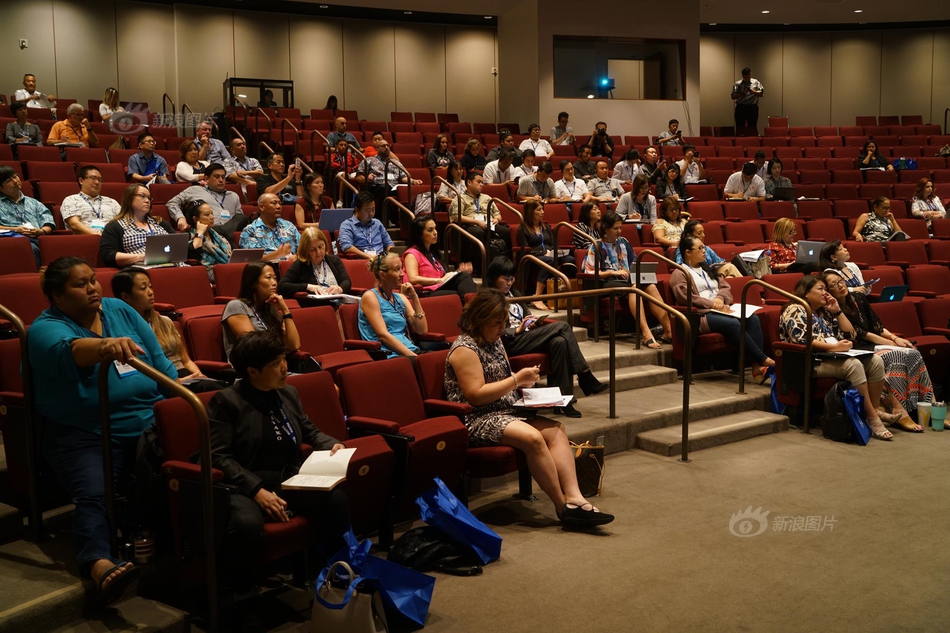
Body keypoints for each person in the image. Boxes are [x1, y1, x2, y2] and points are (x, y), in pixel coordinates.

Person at [30, 257, 176, 604]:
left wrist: (177, 407)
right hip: (85, 431)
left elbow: (159, 362)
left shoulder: (118, 309)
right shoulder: (43, 328)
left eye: (93, 280)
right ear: (58, 296)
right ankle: (98, 562)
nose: (92, 288)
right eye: (80, 284)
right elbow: (70, 350)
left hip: (148, 420)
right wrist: (105, 346)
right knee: (93, 493)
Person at [444, 288, 614, 527]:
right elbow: (476, 396)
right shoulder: (465, 349)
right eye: (497, 323)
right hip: (479, 418)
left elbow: (502, 378)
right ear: (479, 320)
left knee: (556, 430)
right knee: (533, 438)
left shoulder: (494, 341)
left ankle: (575, 498)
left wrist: (526, 385)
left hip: (506, 410)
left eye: (504, 322)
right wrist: (516, 380)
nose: (502, 328)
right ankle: (563, 507)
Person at [208, 331, 350, 590]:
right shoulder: (227, 401)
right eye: (275, 363)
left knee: (335, 499)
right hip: (244, 485)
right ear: (252, 371)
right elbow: (217, 456)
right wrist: (256, 490)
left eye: (283, 358)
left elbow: (309, 430)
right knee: (247, 523)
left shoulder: (288, 393)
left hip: (287, 478)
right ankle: (240, 592)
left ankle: (333, 571)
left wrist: (332, 444)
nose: (285, 367)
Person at [489, 258, 607, 417]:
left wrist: (531, 322)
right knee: (563, 326)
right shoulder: (489, 298)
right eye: (505, 279)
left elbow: (526, 316)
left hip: (526, 336)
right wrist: (516, 330)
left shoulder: (515, 294)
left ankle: (563, 401)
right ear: (494, 277)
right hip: (508, 342)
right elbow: (490, 328)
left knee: (559, 342)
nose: (509, 282)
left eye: (512, 278)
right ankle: (584, 375)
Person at [779, 275, 891, 440]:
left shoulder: (824, 311)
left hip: (832, 357)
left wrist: (837, 310)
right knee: (854, 365)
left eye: (826, 289)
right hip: (808, 361)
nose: (825, 293)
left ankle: (874, 410)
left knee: (875, 361)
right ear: (806, 293)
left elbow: (850, 333)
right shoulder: (795, 309)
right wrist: (834, 347)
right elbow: (803, 340)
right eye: (820, 289)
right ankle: (872, 418)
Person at [822, 270, 932, 432]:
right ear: (827, 291)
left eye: (840, 281)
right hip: (859, 346)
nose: (840, 286)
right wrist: (891, 344)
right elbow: (861, 334)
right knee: (895, 355)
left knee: (913, 352)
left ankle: (931, 405)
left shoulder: (858, 297)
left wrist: (895, 339)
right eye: (833, 285)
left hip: (876, 342)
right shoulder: (831, 308)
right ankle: (899, 410)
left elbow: (877, 326)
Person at [673, 235, 774, 383]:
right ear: (687, 252)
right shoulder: (680, 273)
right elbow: (685, 297)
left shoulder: (707, 268)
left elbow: (725, 286)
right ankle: (763, 359)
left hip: (720, 309)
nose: (704, 251)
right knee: (732, 323)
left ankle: (756, 367)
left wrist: (720, 299)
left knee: (752, 319)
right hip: (700, 315)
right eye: (699, 248)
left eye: (704, 247)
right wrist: (712, 304)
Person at [112, 267, 219, 387]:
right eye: (143, 288)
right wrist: (178, 381)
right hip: (162, 383)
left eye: (150, 287)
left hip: (188, 377)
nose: (150, 292)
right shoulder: (121, 331)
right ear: (126, 297)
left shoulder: (165, 321)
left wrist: (199, 375)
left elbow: (186, 361)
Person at [582, 212, 672, 349]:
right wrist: (613, 272)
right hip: (606, 282)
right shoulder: (596, 246)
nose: (619, 231)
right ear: (606, 228)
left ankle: (668, 330)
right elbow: (590, 272)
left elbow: (634, 263)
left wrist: (633, 271)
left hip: (627, 279)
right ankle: (646, 332)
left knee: (651, 286)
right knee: (634, 288)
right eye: (615, 228)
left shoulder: (624, 242)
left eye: (620, 228)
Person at [222, 261, 300, 360]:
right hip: (252, 366)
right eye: (268, 277)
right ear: (253, 283)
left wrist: (285, 310)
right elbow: (253, 346)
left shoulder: (270, 308)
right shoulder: (236, 306)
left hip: (276, 362)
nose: (274, 283)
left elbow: (294, 345)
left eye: (275, 278)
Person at [358, 252, 429, 358]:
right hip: (390, 355)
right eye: (397, 269)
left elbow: (422, 330)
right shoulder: (370, 297)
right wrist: (415, 357)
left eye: (401, 268)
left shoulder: (401, 298)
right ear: (383, 275)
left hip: (411, 351)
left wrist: (414, 297)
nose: (402, 274)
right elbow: (383, 335)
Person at [517, 200, 577, 310]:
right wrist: (544, 253)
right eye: (539, 210)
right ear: (531, 212)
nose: (543, 212)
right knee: (550, 261)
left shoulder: (546, 227)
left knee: (570, 259)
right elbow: (525, 249)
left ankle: (565, 292)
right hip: (533, 258)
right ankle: (537, 296)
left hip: (550, 255)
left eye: (542, 209)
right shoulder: (523, 228)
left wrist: (555, 251)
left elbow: (553, 244)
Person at [167, 163, 249, 242]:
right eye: (217, 177)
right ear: (207, 179)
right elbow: (172, 202)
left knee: (242, 217)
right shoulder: (195, 190)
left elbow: (239, 222)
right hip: (206, 231)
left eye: (223, 177)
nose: (221, 180)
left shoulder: (233, 196)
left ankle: (219, 235)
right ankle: (218, 235)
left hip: (228, 235)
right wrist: (180, 217)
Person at [99, 184, 176, 268]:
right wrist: (142, 257)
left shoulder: (159, 222)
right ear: (129, 199)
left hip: (172, 265)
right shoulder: (115, 226)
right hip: (142, 269)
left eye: (149, 198)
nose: (147, 201)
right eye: (142, 196)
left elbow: (177, 243)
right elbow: (108, 255)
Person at [403, 215, 476, 301]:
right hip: (426, 292)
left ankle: (473, 306)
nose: (435, 233)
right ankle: (473, 307)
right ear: (420, 235)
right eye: (430, 230)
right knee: (459, 294)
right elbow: (413, 278)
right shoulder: (412, 254)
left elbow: (442, 277)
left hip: (439, 287)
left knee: (464, 276)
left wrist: (457, 272)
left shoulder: (432, 254)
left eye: (435, 229)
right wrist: (439, 280)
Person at [350, 140, 419, 227]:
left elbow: (403, 177)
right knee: (384, 188)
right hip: (376, 187)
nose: (386, 147)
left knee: (405, 190)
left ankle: (406, 222)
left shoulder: (396, 162)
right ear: (377, 149)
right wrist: (367, 178)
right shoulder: (369, 160)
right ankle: (384, 219)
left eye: (387, 146)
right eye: (383, 146)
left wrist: (413, 181)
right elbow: (358, 177)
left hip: (393, 187)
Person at [0, 165, 54, 266]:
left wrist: (42, 231)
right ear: (1, 188)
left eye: (15, 176)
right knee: (30, 247)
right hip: (11, 241)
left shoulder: (34, 202)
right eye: (8, 180)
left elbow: (48, 221)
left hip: (38, 239)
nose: (15, 181)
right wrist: (16, 230)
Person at [450, 171, 511, 260]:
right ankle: (481, 264)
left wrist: (497, 219)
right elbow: (456, 217)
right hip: (470, 226)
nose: (481, 185)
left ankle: (505, 263)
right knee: (478, 232)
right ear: (469, 182)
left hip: (489, 224)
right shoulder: (460, 198)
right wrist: (477, 222)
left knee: (506, 231)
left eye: (482, 182)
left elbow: (498, 214)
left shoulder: (487, 197)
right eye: (478, 182)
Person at [277, 227, 351, 298]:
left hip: (339, 301)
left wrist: (340, 289)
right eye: (312, 249)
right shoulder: (300, 264)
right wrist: (308, 287)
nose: (318, 252)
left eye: (320, 247)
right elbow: (282, 286)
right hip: (318, 304)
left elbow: (346, 281)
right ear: (305, 250)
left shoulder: (335, 260)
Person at [60, 165, 121, 235]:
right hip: (85, 239)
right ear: (81, 181)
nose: (97, 182)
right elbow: (74, 224)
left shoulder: (112, 202)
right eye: (93, 178)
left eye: (100, 179)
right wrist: (99, 236)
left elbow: (124, 222)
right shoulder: (71, 200)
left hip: (112, 238)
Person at [240, 193, 300, 261]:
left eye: (280, 203)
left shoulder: (288, 225)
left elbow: (304, 248)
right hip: (268, 266)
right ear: (262, 207)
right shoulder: (250, 231)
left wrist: (296, 256)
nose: (278, 206)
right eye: (274, 203)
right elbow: (251, 259)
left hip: (292, 265)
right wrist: (277, 254)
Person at [673, 220, 741, 279]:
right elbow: (681, 267)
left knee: (730, 271)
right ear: (689, 235)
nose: (703, 235)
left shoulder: (707, 248)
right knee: (730, 270)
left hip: (712, 273)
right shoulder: (682, 249)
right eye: (699, 233)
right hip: (697, 275)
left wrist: (720, 264)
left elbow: (720, 261)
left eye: (703, 232)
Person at [338, 191, 395, 260]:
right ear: (357, 209)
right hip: (362, 260)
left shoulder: (377, 223)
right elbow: (347, 247)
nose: (371, 213)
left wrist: (392, 255)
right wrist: (369, 256)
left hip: (381, 260)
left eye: (373, 210)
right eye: (367, 211)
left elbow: (388, 243)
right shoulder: (347, 225)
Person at [183, 200, 232, 279]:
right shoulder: (188, 236)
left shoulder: (218, 233)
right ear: (195, 219)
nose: (212, 217)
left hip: (226, 268)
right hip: (206, 272)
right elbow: (193, 253)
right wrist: (200, 233)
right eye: (207, 214)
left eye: (212, 213)